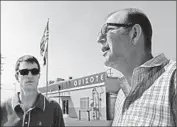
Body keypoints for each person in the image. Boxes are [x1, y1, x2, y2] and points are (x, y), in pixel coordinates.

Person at [97, 8, 176, 126]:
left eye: (107, 30)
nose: (99, 39)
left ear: (134, 34)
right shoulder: (121, 95)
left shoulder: (173, 79)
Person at [0, 55, 65, 127]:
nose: (30, 75)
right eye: (24, 72)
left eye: (34, 71)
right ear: (16, 76)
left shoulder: (54, 108)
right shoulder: (3, 109)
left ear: (38, 76)